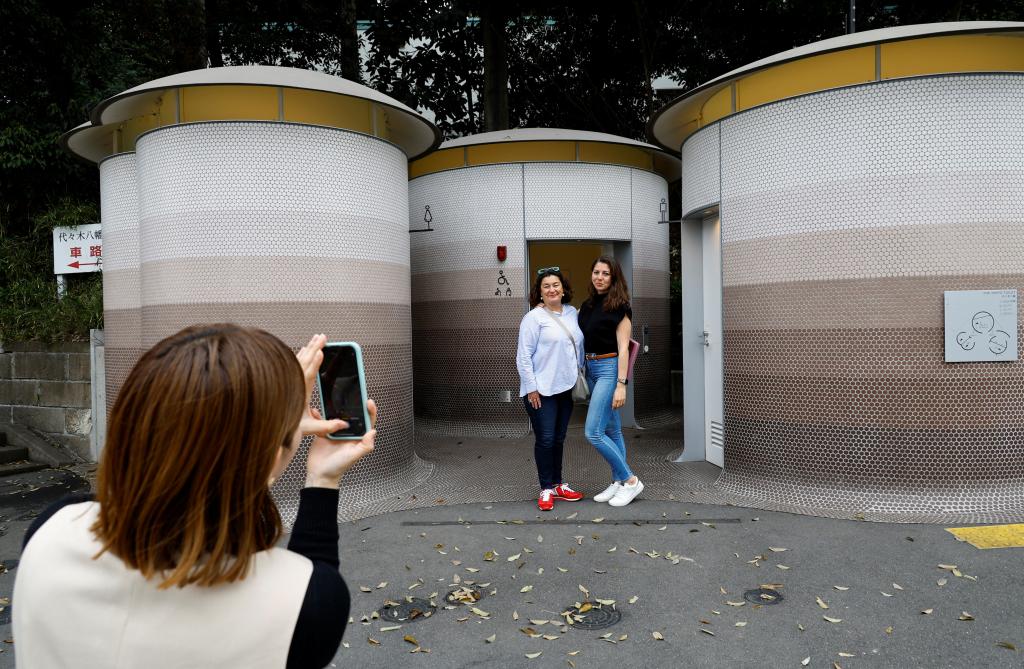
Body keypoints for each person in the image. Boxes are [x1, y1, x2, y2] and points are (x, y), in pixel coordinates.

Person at [13, 325, 376, 669]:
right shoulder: (306, 606)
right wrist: (321, 479)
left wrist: (270, 429)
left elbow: (180, 480)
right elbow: (312, 582)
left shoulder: (51, 529)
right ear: (265, 460)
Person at [516, 267, 586, 511]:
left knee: (558, 438)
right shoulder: (533, 318)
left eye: (556, 284)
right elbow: (523, 357)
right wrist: (531, 388)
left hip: (565, 387)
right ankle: (546, 488)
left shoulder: (572, 314)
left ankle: (557, 485)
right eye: (546, 286)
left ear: (563, 288)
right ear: (540, 292)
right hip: (541, 390)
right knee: (545, 439)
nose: (552, 289)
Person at [578, 255, 643, 506]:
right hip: (591, 368)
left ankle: (630, 481)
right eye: (596, 272)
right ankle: (617, 483)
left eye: (605, 273)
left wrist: (621, 384)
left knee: (593, 432)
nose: (600, 277)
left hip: (609, 368)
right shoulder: (587, 305)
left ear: (614, 277)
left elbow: (624, 348)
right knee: (611, 429)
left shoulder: (620, 306)